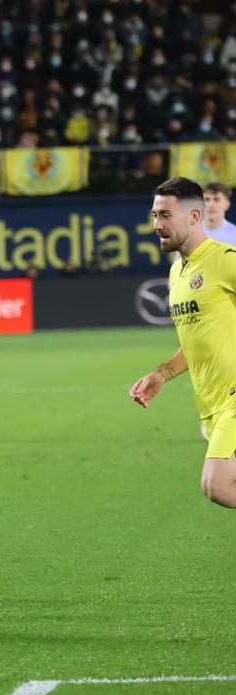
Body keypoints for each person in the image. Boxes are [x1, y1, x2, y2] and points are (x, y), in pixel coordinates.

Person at [129, 178, 236, 507]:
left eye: (165, 215)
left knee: (218, 485)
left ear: (194, 216)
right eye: (154, 215)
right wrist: (162, 374)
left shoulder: (225, 259)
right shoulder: (177, 272)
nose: (157, 225)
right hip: (210, 403)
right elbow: (195, 340)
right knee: (219, 487)